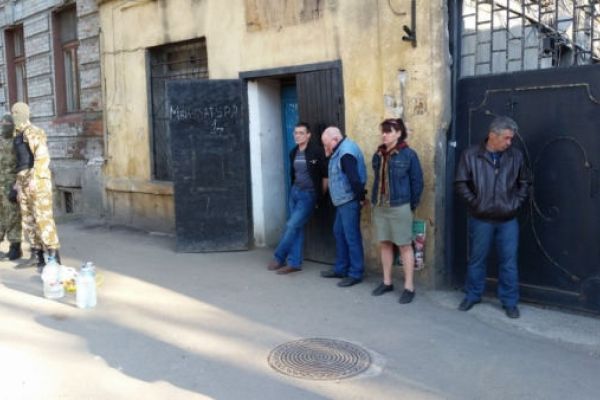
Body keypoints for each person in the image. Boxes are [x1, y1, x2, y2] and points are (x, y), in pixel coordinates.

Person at [455, 116, 531, 318]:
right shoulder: (471, 155)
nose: (509, 142)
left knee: (509, 262)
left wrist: (514, 204)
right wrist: (477, 203)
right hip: (481, 218)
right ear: (492, 135)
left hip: (508, 220)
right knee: (477, 259)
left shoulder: (515, 156)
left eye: (511, 138)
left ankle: (510, 302)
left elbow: (524, 183)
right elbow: (461, 183)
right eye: (506, 138)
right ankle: (472, 295)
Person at [370, 118, 423, 304]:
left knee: (404, 245)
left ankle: (409, 287)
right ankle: (387, 282)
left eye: (389, 131)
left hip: (400, 206)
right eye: (383, 131)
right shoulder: (378, 154)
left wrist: (410, 206)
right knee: (385, 243)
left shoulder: (409, 155)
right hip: (381, 206)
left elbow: (417, 182)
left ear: (399, 133)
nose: (384, 135)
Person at [267, 122, 328, 274]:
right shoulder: (293, 152)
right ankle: (294, 263)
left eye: (301, 133)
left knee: (291, 226)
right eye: (296, 133)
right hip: (295, 192)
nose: (297, 135)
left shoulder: (316, 152)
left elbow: (325, 176)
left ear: (308, 135)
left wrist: (320, 196)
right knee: (297, 228)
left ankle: (279, 257)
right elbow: (294, 174)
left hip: (308, 195)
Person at [12, 102, 61, 272]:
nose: (14, 116)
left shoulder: (34, 131)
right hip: (23, 181)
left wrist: (35, 178)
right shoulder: (17, 135)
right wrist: (18, 184)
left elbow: (42, 157)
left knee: (43, 219)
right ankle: (37, 257)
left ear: (25, 114)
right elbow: (20, 161)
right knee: (28, 220)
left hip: (37, 181)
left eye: (17, 113)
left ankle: (54, 259)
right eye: (13, 113)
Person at [320, 126, 367, 287]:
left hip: (349, 201)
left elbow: (354, 179)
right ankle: (341, 268)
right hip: (342, 201)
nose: (325, 147)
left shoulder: (346, 153)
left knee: (351, 237)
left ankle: (356, 273)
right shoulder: (340, 150)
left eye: (326, 144)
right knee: (339, 232)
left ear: (335, 139)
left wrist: (361, 198)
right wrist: (328, 152)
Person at [0, 114, 22, 260]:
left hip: (10, 184)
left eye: (7, 124)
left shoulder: (17, 141)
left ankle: (15, 247)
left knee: (13, 216)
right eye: (2, 123)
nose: (4, 126)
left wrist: (17, 185)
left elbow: (22, 164)